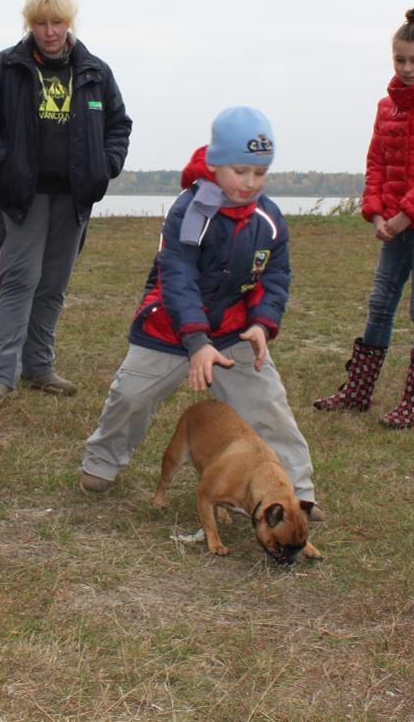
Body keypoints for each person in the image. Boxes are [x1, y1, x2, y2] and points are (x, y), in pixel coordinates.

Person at [78, 107, 320, 519]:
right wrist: (196, 341)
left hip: (232, 331)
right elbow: (178, 276)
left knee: (269, 407)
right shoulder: (189, 211)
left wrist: (262, 324)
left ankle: (296, 491)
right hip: (170, 328)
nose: (250, 182)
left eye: (260, 173)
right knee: (130, 397)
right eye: (240, 171)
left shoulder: (270, 220)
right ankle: (102, 461)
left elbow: (275, 276)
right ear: (214, 164)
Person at [0, 0, 132, 409]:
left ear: (69, 24)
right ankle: (2, 375)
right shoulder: (3, 68)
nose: (50, 31)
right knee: (19, 280)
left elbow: (118, 126)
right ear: (29, 24)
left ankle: (38, 366)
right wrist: (7, 164)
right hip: (23, 196)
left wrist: (104, 166)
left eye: (57, 22)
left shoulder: (95, 72)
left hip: (74, 198)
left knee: (53, 284)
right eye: (40, 23)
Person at [313, 4, 414, 429]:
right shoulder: (387, 107)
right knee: (380, 303)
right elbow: (376, 162)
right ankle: (358, 392)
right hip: (395, 224)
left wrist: (404, 217)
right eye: (400, 60)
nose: (407, 68)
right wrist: (376, 211)